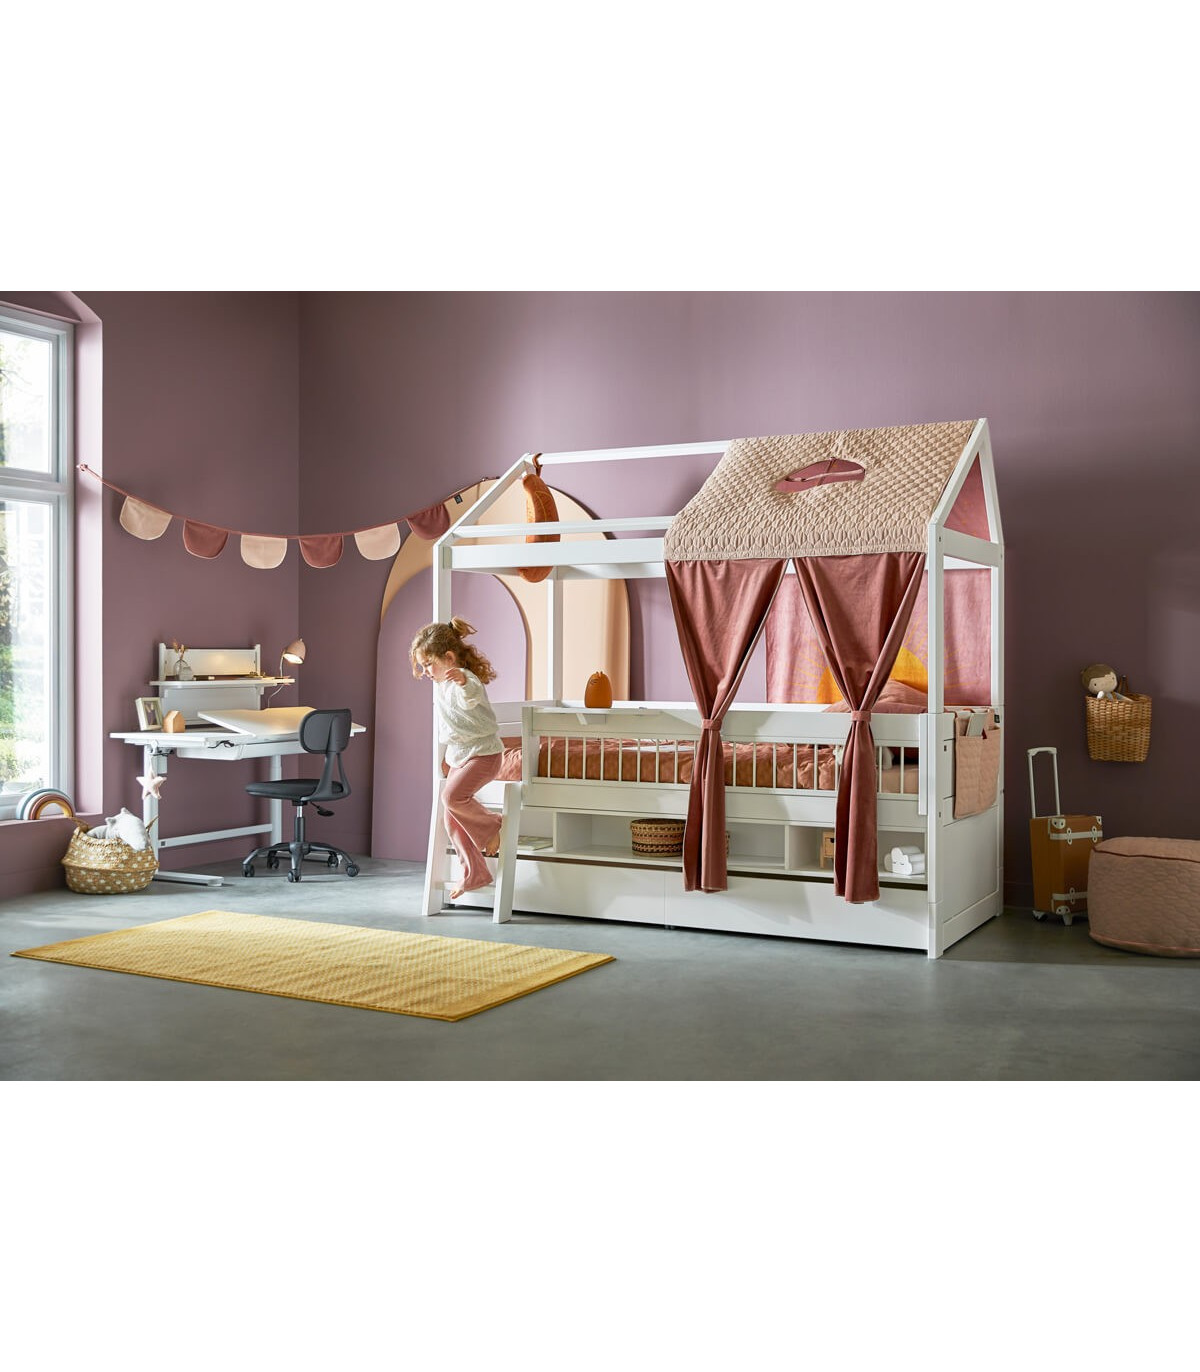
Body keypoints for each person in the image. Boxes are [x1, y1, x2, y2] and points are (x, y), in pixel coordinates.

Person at [411, 617, 504, 901]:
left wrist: (463, 682)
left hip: (484, 754)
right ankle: (474, 872)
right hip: (460, 756)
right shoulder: (441, 683)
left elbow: (470, 698)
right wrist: (446, 757)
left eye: (429, 664)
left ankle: (492, 826)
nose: (426, 672)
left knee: (451, 798)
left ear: (449, 658)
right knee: (451, 820)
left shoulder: (464, 679)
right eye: (423, 666)